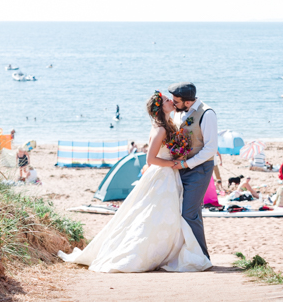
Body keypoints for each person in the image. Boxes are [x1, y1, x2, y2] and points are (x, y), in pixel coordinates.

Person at [58, 90, 212, 272]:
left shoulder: (169, 123)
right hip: (163, 174)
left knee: (167, 214)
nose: (171, 101)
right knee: (154, 214)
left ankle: (171, 251)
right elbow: (151, 159)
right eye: (167, 100)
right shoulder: (161, 129)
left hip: (170, 175)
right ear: (160, 107)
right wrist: (173, 163)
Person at [169, 82, 218, 260]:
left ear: (188, 102)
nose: (173, 103)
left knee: (189, 213)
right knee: (189, 212)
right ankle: (193, 254)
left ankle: (202, 257)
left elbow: (211, 148)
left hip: (200, 169)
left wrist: (186, 164)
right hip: (182, 169)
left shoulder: (207, 114)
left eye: (176, 101)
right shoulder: (180, 112)